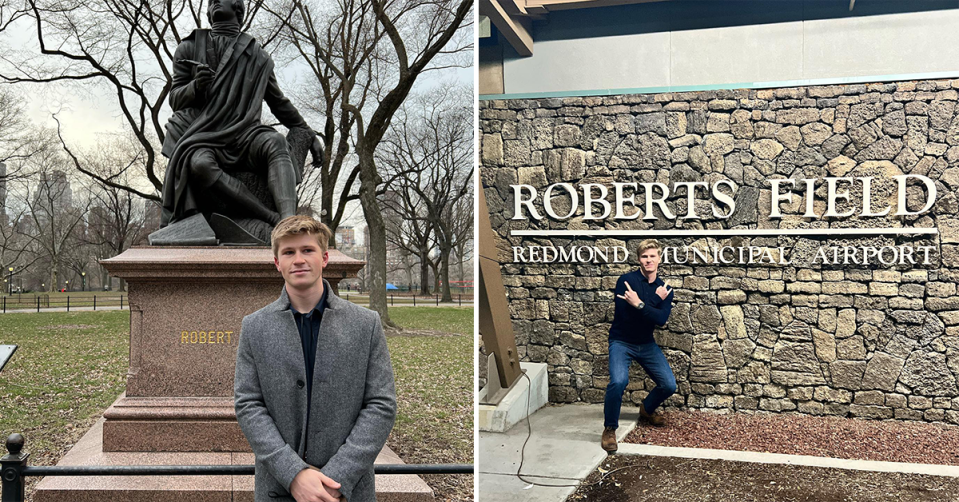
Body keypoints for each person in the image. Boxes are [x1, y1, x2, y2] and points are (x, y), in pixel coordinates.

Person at [235, 215, 397, 501]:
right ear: (277, 263)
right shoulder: (255, 326)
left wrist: (336, 478)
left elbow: (381, 405)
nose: (298, 259)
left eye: (307, 250)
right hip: (279, 487)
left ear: (324, 258)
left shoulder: (365, 324)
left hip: (346, 490)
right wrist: (294, 474)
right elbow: (249, 404)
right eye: (288, 252)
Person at [159, 0, 320, 237]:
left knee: (275, 141)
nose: (213, 3)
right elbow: (175, 99)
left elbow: (278, 102)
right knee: (199, 164)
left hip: (244, 133)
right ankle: (270, 218)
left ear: (237, 8)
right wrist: (196, 86)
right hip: (204, 135)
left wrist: (307, 132)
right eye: (210, 2)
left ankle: (289, 222)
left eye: (219, 0)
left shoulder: (258, 56)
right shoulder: (189, 48)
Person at [601, 239, 676, 453]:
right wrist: (651, 302)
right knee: (618, 381)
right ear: (639, 260)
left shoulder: (665, 289)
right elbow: (626, 316)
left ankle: (647, 409)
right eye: (645, 256)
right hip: (621, 341)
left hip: (646, 344)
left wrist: (640, 304)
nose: (649, 260)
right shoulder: (626, 281)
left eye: (653, 256)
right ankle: (609, 429)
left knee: (669, 385)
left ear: (659, 259)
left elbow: (660, 320)